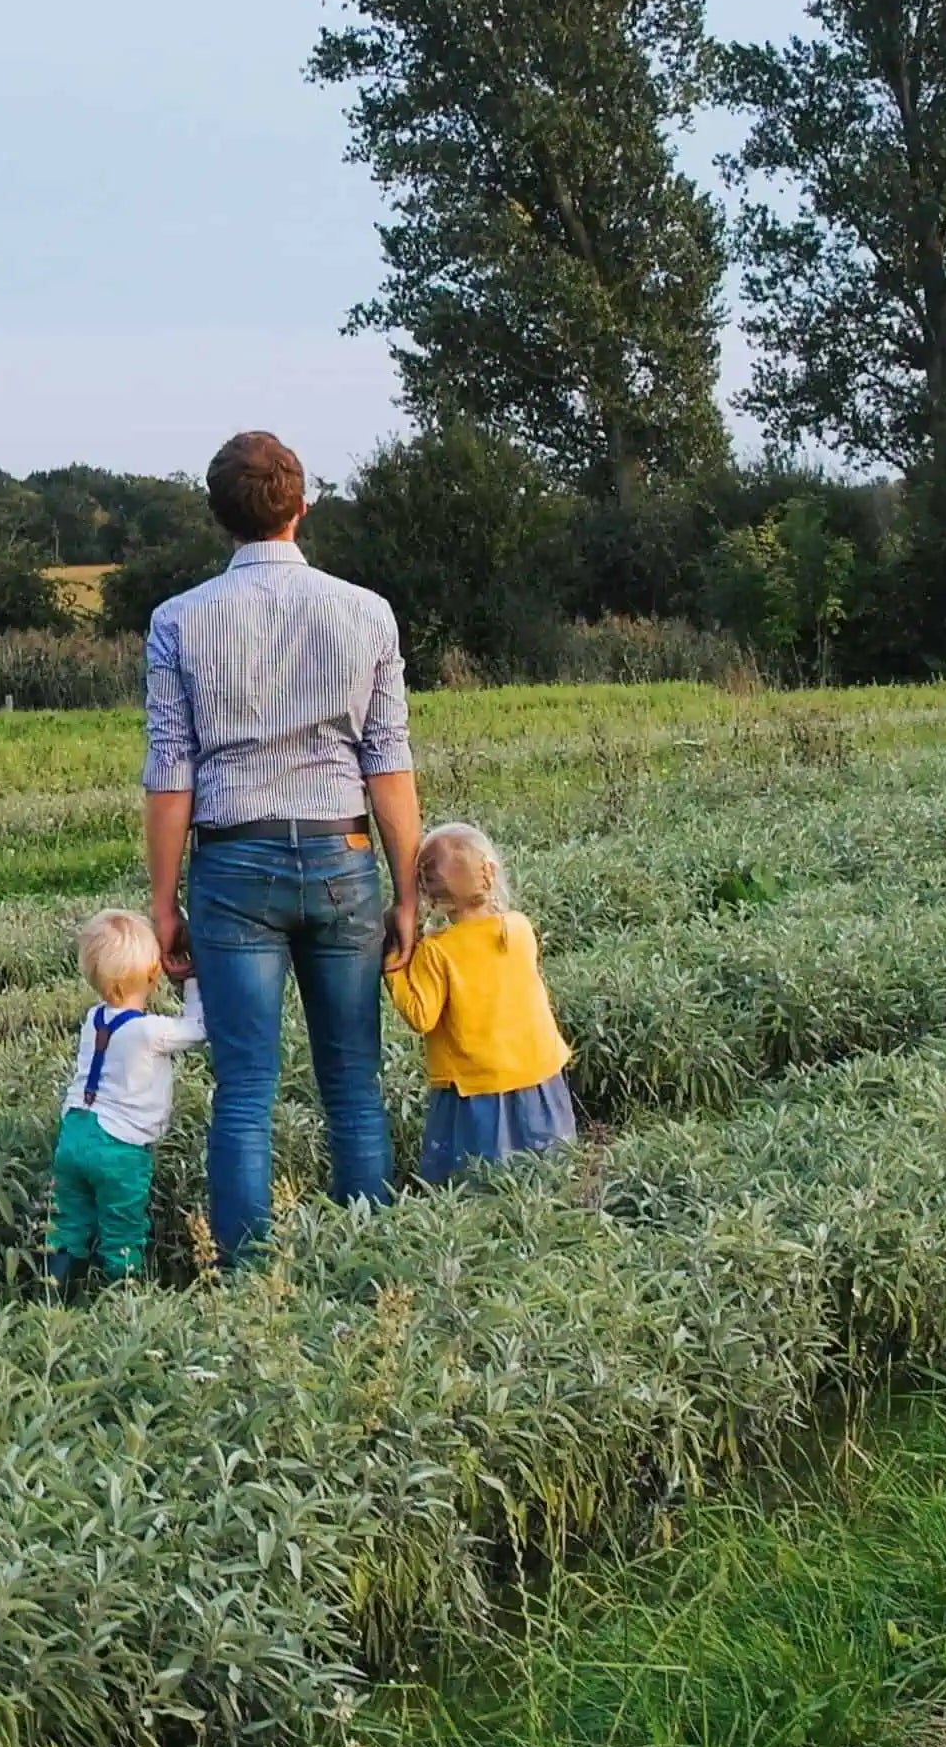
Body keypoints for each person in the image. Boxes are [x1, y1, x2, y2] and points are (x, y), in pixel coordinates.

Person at [142, 429, 419, 1269]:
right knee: (352, 1086)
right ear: (301, 506)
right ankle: (370, 1274)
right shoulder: (366, 611)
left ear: (219, 518)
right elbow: (389, 762)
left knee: (245, 1092)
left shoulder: (176, 620)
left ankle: (246, 1283)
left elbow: (169, 771)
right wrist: (405, 893)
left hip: (231, 865)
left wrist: (163, 903)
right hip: (342, 856)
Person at [386, 821, 573, 1177]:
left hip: (474, 1088)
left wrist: (393, 970)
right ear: (489, 871)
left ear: (430, 896)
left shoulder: (437, 952)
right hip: (538, 1074)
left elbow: (421, 1016)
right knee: (546, 1174)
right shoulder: (518, 927)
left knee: (479, 1183)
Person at [45, 906, 204, 1295]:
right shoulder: (150, 1032)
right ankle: (125, 1298)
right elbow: (199, 1029)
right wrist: (194, 980)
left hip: (75, 1131)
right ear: (153, 974)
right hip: (119, 1146)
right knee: (123, 1228)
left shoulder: (93, 1019)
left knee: (69, 1222)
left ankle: (55, 1292)